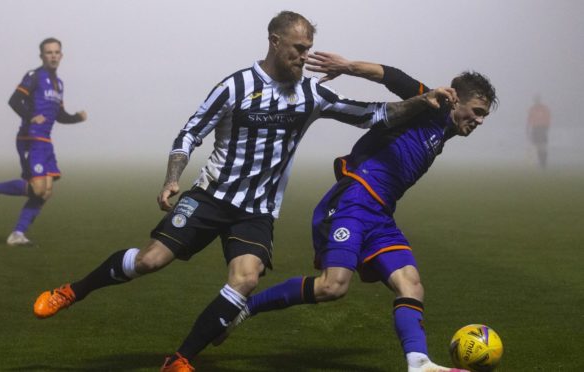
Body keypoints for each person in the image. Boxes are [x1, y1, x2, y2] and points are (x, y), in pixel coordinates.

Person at [31, 12, 456, 372]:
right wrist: (171, 177)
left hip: (257, 210)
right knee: (150, 261)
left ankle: (180, 359)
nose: (304, 57)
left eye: (309, 49)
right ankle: (74, 290)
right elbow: (190, 132)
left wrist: (425, 101)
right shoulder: (235, 86)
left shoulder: (310, 95)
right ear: (274, 41)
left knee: (246, 279)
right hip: (211, 195)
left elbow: (374, 114)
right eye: (298, 48)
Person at [215, 52, 497, 372]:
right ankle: (246, 307)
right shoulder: (432, 104)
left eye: (484, 115)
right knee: (332, 286)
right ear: (454, 98)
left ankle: (419, 363)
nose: (479, 121)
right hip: (353, 200)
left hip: (380, 214)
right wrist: (346, 67)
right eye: (476, 111)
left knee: (412, 285)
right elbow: (391, 75)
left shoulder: (445, 129)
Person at [0, 37, 87, 245]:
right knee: (38, 189)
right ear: (42, 56)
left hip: (45, 141)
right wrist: (30, 115)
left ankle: (17, 234)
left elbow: (59, 115)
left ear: (61, 55)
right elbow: (14, 100)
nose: (53, 55)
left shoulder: (59, 84)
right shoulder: (34, 76)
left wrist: (77, 117)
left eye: (56, 52)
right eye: (49, 52)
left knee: (45, 193)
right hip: (30, 138)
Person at [526, 94, 551, 168]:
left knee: (543, 146)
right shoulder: (532, 109)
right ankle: (540, 162)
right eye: (535, 100)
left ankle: (543, 163)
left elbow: (548, 118)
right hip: (535, 128)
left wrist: (546, 127)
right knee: (537, 146)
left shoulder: (544, 109)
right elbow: (529, 120)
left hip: (542, 128)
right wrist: (527, 129)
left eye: (537, 100)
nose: (536, 101)